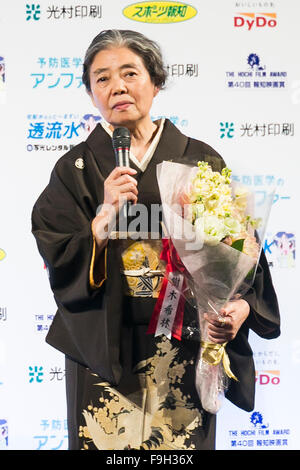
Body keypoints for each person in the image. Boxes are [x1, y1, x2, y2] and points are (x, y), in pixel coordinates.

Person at [31, 29, 280, 451]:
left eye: (130, 73)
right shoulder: (74, 169)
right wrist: (102, 220)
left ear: (156, 81)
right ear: (91, 94)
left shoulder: (198, 160)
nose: (118, 87)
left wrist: (240, 306)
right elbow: (56, 246)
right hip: (105, 352)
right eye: (102, 79)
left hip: (183, 346)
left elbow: (241, 250)